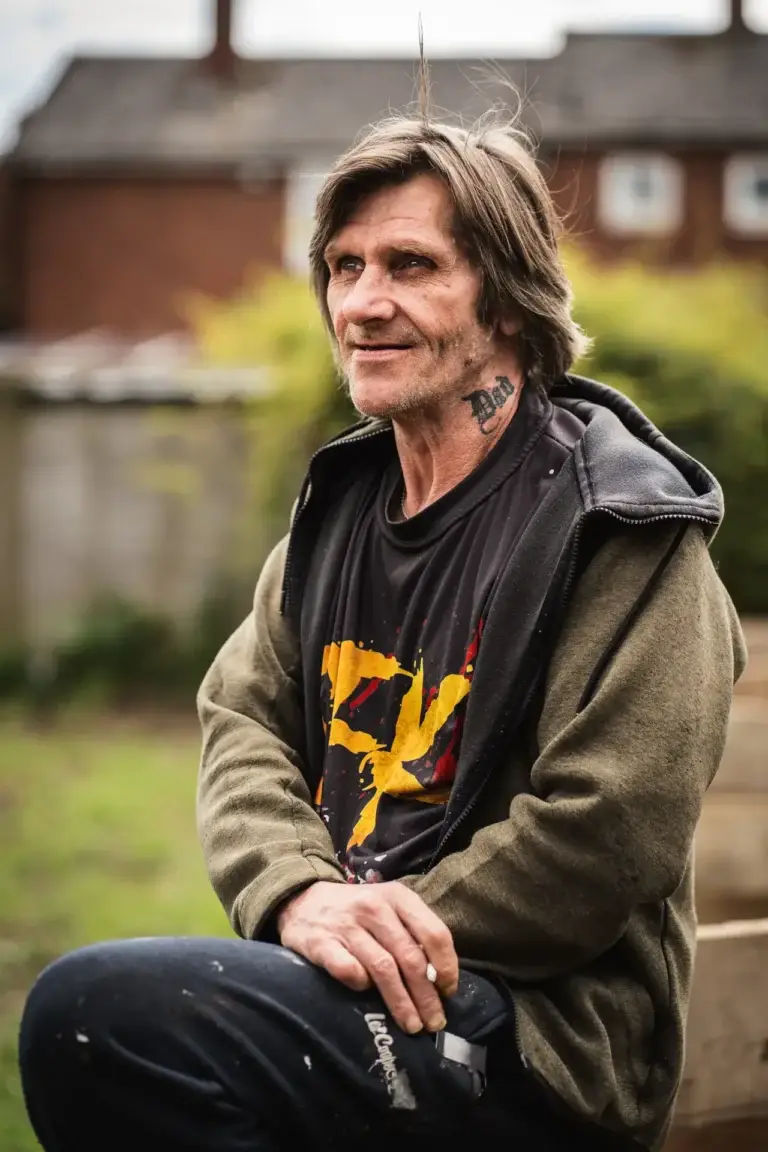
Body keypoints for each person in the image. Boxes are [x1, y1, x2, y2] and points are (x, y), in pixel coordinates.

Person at [18, 106, 746, 1152]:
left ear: (508, 298)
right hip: (354, 976)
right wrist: (301, 893)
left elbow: (605, 832)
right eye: (343, 267)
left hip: (541, 1041)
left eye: (411, 265)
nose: (363, 302)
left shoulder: (622, 530)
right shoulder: (339, 519)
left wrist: (364, 934)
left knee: (96, 1020)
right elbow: (242, 719)